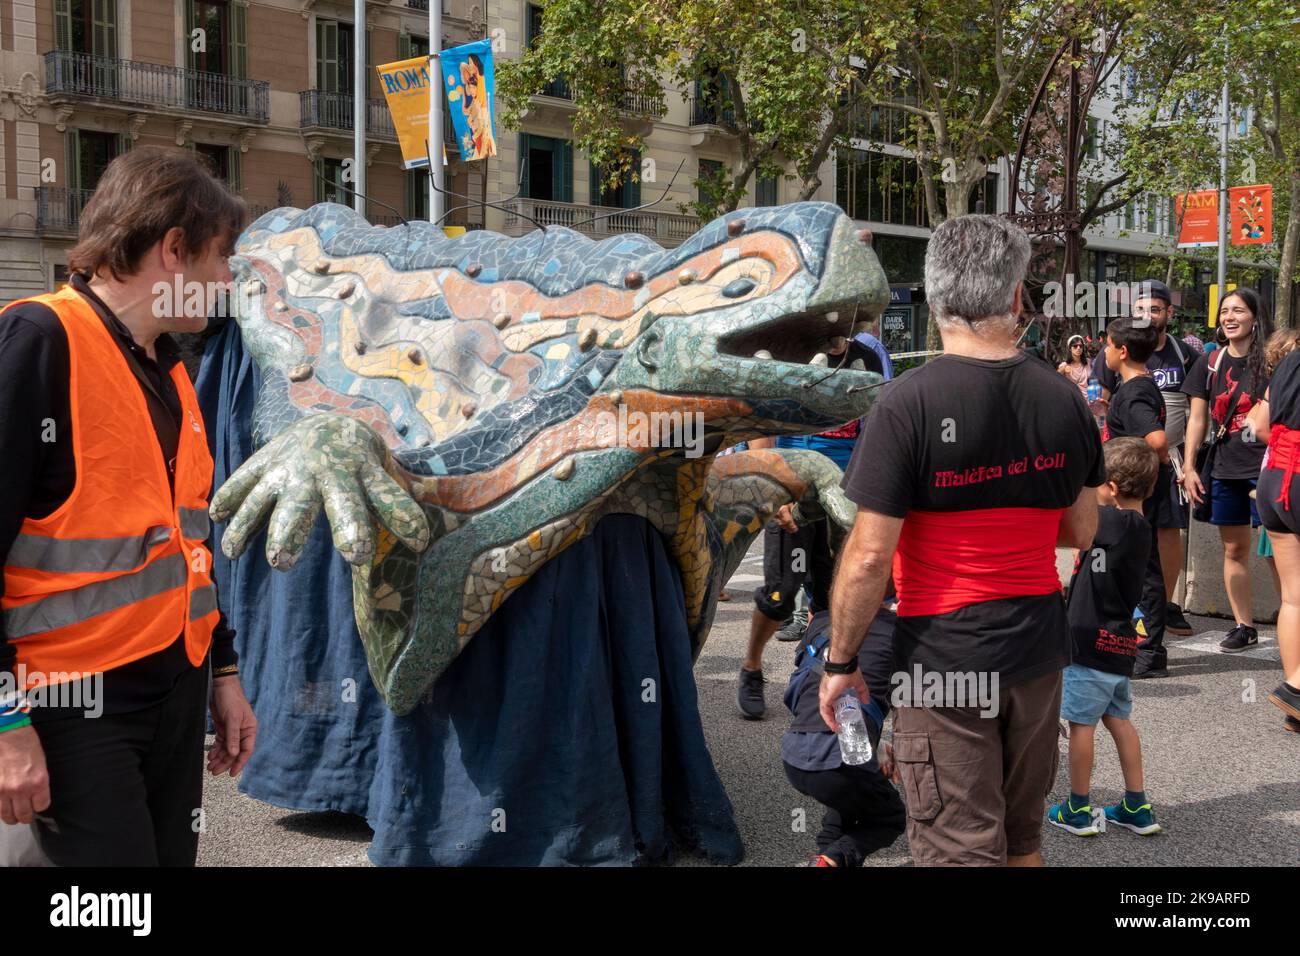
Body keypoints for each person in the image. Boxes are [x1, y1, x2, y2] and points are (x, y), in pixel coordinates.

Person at [0, 147, 256, 865]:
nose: (228, 279)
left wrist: (224, 673)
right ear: (174, 250)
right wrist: (4, 726)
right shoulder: (39, 341)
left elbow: (187, 546)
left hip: (171, 697)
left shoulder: (170, 370)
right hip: (72, 712)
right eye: (222, 255)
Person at [823, 215, 1103, 866]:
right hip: (1036, 655)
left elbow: (868, 556)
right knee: (1021, 843)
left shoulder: (905, 405)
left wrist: (840, 665)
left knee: (958, 851)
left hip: (944, 664)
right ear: (1014, 299)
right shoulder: (1065, 400)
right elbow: (1082, 530)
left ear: (935, 297)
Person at [737, 337, 886, 718]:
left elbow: (877, 424)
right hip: (794, 485)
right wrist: (774, 487)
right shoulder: (791, 345)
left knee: (833, 594)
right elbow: (763, 416)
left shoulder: (866, 357)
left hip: (846, 489)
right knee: (780, 593)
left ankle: (810, 672)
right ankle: (752, 666)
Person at [1049, 437, 1163, 837]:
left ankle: (1077, 807)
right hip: (1119, 646)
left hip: (1089, 644)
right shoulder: (1139, 527)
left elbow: (1073, 516)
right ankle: (1137, 802)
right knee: (1120, 721)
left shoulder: (1113, 522)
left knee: (1081, 726)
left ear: (1111, 487)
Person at [1091, 280, 1195, 636]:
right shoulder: (1139, 380)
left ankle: (1147, 642)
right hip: (1138, 480)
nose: (1147, 316)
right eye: (1141, 309)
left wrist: (1163, 459)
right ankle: (1144, 636)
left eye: (1154, 308)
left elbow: (1156, 437)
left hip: (1142, 481)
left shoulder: (1138, 388)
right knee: (1141, 559)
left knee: (1142, 564)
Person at [1181, 288, 1274, 653]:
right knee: (1234, 549)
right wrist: (1189, 466)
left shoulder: (1272, 361)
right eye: (1224, 311)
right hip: (1224, 468)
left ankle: (1290, 620)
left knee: (1275, 551)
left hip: (1268, 469)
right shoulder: (1210, 361)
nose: (1229, 317)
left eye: (1238, 310)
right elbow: (1197, 420)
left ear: (1255, 317)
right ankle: (1243, 626)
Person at [781, 600, 905, 866]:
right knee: (889, 817)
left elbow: (801, 686)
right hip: (843, 750)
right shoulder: (901, 633)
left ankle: (825, 858)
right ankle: (834, 858)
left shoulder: (822, 622)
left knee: (847, 797)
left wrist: (874, 744)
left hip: (794, 752)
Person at [1101, 316, 1171, 678]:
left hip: (1138, 494)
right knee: (1139, 568)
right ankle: (1139, 645)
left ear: (1122, 350)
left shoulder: (1134, 392)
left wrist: (1141, 470)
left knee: (1144, 572)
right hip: (1138, 491)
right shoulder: (1136, 387)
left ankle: (1149, 651)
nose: (1104, 350)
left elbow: (1157, 440)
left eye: (1109, 344)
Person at [1247, 328, 1300, 733]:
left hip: (1274, 478)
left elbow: (1258, 423)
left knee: (1294, 598)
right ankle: (1296, 689)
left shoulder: (1287, 364)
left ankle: (1296, 705)